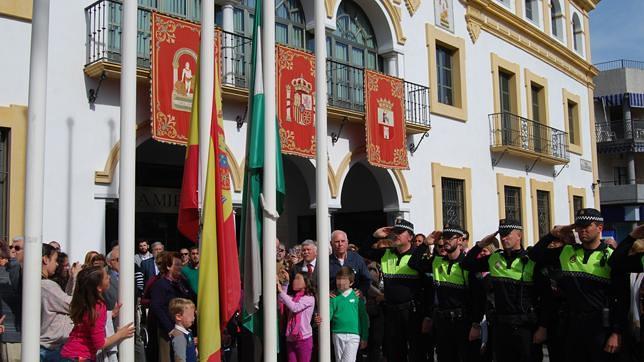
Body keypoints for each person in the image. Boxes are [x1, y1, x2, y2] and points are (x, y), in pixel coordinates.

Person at [528, 208, 628, 362]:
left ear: (599, 228)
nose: (582, 230)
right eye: (579, 226)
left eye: (587, 226)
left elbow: (621, 297)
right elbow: (535, 255)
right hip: (572, 326)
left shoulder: (611, 256)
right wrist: (552, 235)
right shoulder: (567, 252)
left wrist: (616, 332)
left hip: (600, 327)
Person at [461, 220, 544, 362]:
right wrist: (480, 245)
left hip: (525, 327)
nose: (504, 239)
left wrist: (543, 327)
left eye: (508, 235)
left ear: (519, 235)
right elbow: (466, 264)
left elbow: (545, 296)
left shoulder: (531, 260)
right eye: (502, 236)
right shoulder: (494, 258)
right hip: (501, 327)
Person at [408, 224, 479, 362]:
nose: (445, 241)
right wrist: (425, 244)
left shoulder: (467, 264)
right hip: (442, 321)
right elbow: (414, 264)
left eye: (449, 238)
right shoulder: (436, 261)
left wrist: (476, 324)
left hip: (463, 321)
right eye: (444, 237)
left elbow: (478, 296)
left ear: (459, 240)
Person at [361, 218, 426, 362]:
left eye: (400, 232)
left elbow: (427, 287)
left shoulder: (417, 255)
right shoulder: (386, 253)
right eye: (394, 232)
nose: (396, 235)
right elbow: (364, 250)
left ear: (410, 236)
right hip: (390, 312)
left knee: (416, 351)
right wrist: (374, 235)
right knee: (394, 352)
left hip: (411, 312)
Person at [60, 266, 135, 360]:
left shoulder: (84, 302)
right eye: (106, 277)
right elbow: (100, 344)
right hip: (81, 357)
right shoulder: (98, 307)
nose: (109, 277)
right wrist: (120, 334)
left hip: (68, 353)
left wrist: (110, 314)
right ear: (99, 287)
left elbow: (87, 323)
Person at [149, 252, 197, 362]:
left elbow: (192, 297)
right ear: (168, 266)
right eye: (177, 265)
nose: (181, 268)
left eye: (181, 265)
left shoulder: (182, 282)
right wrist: (170, 329)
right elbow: (157, 307)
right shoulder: (160, 285)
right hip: (168, 332)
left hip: (184, 329)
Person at [40, 243, 74, 361]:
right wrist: (78, 278)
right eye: (55, 260)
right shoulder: (46, 286)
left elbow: (63, 298)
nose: (57, 264)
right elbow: (71, 304)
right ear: (45, 259)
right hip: (50, 349)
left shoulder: (44, 284)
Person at [329, 267, 368, 362]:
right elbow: (328, 316)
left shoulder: (357, 297)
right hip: (337, 333)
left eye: (344, 280)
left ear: (351, 282)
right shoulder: (333, 298)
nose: (340, 282)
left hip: (354, 335)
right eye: (338, 279)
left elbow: (363, 318)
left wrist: (364, 337)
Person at [277, 271, 316, 362]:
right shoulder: (294, 298)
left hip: (304, 339)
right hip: (291, 338)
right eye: (294, 278)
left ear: (306, 283)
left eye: (298, 278)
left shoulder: (309, 298)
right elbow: (281, 299)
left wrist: (280, 290)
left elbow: (295, 307)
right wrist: (286, 283)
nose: (294, 281)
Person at [329, 230, 371, 296]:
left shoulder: (357, 258)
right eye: (337, 242)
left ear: (347, 242)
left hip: (354, 300)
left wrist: (362, 291)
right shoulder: (326, 261)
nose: (340, 244)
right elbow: (315, 283)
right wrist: (326, 293)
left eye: (343, 241)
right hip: (334, 302)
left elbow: (367, 279)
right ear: (331, 243)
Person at [1, 237, 23, 362]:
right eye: (11, 247)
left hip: (14, 335)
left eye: (17, 248)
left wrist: (13, 261)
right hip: (10, 336)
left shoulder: (16, 271)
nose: (13, 251)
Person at [169, 298, 197, 362]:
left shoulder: (188, 332)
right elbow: (180, 359)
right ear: (178, 317)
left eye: (193, 315)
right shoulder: (179, 337)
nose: (193, 318)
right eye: (190, 315)